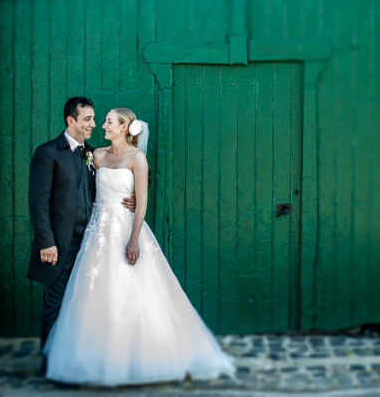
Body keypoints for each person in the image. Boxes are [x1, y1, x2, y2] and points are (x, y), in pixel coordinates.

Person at [43, 108, 234, 385]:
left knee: (134, 291)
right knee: (95, 292)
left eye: (109, 122)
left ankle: (141, 358)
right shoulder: (95, 156)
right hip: (97, 231)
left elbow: (141, 200)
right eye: (103, 121)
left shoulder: (138, 158)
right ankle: (94, 358)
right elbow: (83, 187)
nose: (103, 125)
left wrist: (134, 238)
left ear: (124, 127)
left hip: (126, 230)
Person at [27, 97, 135, 371]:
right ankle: (51, 363)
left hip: (92, 241)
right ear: (70, 121)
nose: (94, 124)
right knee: (56, 301)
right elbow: (37, 202)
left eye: (95, 118)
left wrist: (131, 195)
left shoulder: (92, 153)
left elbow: (124, 169)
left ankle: (80, 358)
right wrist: (46, 242)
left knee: (86, 303)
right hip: (61, 243)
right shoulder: (48, 152)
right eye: (87, 119)